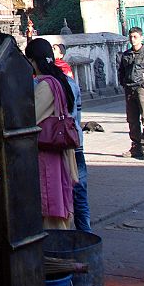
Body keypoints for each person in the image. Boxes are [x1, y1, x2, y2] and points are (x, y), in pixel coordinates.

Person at [26, 39, 78, 230]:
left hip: (47, 152)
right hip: (55, 150)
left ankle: (56, 251)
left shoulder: (46, 85)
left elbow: (29, 117)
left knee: (50, 201)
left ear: (32, 61)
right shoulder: (58, 80)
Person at [50, 42, 91, 232]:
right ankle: (85, 232)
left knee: (62, 189)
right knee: (79, 190)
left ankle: (68, 233)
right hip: (75, 139)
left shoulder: (48, 83)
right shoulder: (70, 81)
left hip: (61, 142)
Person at [117, 26, 144, 160]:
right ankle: (135, 147)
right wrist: (124, 84)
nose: (132, 39)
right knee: (132, 120)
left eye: (135, 37)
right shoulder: (126, 55)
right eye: (131, 37)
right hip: (129, 90)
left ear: (141, 38)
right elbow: (121, 71)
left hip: (142, 90)